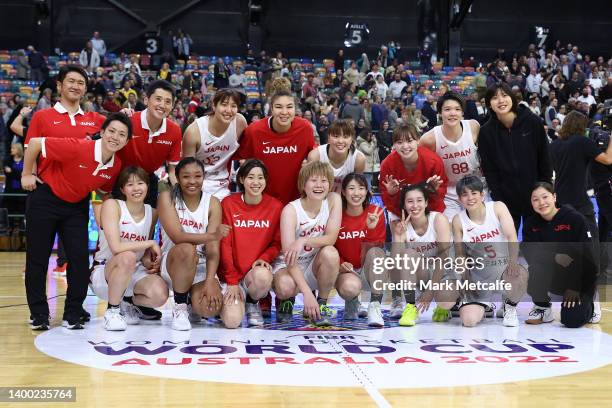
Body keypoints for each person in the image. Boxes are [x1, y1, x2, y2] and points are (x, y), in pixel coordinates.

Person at [22, 113, 131, 330]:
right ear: (102, 132)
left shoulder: (115, 165)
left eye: (122, 135)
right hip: (46, 198)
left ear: (126, 141)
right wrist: (27, 173)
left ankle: (72, 313)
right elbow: (34, 143)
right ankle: (39, 315)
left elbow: (103, 190)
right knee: (38, 259)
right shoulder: (78, 147)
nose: (115, 137)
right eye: (111, 131)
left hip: (76, 206)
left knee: (80, 261)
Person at [90, 166, 168, 330]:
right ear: (122, 189)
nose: (136, 188)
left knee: (160, 294)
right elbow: (117, 247)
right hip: (105, 272)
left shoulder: (152, 212)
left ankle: (127, 302)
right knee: (127, 256)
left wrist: (150, 260)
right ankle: (112, 311)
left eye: (140, 183)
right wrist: (150, 243)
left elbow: (143, 251)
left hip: (133, 270)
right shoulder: (112, 205)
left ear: (147, 186)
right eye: (130, 184)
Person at [157, 157, 230, 331]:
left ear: (204, 177)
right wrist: (212, 235)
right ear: (178, 178)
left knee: (209, 308)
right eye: (186, 176)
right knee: (187, 250)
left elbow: (213, 247)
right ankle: (181, 307)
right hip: (174, 261)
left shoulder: (212, 202)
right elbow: (177, 237)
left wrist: (211, 279)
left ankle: (192, 301)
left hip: (201, 263)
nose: (192, 181)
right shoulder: (167, 197)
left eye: (197, 176)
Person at [451, 175, 528, 327]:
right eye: (465, 194)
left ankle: (509, 307)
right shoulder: (458, 220)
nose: (470, 198)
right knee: (469, 321)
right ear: (460, 199)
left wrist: (513, 262)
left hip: (502, 270)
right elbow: (460, 255)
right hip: (479, 276)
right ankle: (484, 305)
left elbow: (512, 235)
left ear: (482, 194)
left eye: (474, 193)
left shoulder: (497, 207)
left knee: (520, 273)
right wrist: (465, 280)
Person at [272, 161, 342, 326]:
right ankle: (287, 301)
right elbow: (290, 259)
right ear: (303, 184)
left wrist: (303, 240)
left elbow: (331, 238)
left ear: (330, 184)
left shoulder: (333, 200)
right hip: (289, 267)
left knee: (330, 253)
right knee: (285, 286)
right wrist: (306, 294)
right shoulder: (290, 210)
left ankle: (322, 304)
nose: (319, 185)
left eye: (324, 181)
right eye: (314, 180)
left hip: (312, 264)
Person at [478, 82, 552, 233]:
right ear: (488, 104)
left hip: (536, 195)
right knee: (508, 247)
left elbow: (544, 157)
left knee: (538, 245)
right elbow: (489, 168)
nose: (500, 101)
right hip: (506, 199)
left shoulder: (533, 122)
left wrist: (545, 187)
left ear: (512, 98)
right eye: (494, 98)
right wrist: (498, 196)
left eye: (504, 95)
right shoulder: (486, 132)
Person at [523, 182, 598, 328]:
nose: (541, 203)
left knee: (571, 321)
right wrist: (555, 256)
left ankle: (590, 304)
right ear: (531, 202)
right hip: (554, 275)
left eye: (545, 197)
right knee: (536, 267)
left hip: (579, 277)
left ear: (554, 197)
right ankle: (542, 307)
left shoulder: (574, 219)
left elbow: (587, 257)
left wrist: (575, 286)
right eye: (535, 199)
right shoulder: (531, 224)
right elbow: (530, 253)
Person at [219, 159, 283, 327]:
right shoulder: (228, 204)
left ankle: (252, 302)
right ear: (241, 179)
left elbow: (277, 243)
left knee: (263, 276)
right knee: (232, 322)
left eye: (260, 178)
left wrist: (265, 257)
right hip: (232, 276)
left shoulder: (275, 207)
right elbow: (224, 245)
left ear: (266, 180)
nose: (256, 182)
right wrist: (232, 281)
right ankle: (226, 303)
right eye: (251, 177)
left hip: (253, 275)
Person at [391, 183, 458, 325]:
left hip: (444, 273)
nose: (415, 205)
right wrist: (398, 236)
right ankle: (410, 306)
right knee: (408, 254)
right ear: (404, 205)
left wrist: (430, 291)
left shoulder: (439, 219)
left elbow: (443, 258)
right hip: (422, 274)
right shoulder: (401, 227)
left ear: (426, 202)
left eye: (419, 200)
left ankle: (442, 307)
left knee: (446, 300)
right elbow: (395, 265)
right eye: (410, 201)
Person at [115, 80, 182, 206]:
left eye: (168, 102)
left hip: (148, 179)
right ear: (146, 100)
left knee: (149, 221)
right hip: (120, 178)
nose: (162, 105)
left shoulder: (175, 130)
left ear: (172, 106)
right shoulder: (128, 121)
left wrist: (179, 192)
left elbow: (172, 171)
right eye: (158, 99)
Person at [420, 92, 484, 220]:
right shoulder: (429, 139)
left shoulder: (473, 126)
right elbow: (423, 169)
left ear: (462, 112)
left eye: (457, 109)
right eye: (447, 109)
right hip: (450, 193)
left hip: (476, 187)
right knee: (450, 233)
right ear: (440, 112)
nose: (452, 113)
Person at [335, 173, 386, 326]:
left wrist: (370, 228)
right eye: (351, 188)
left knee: (377, 255)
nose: (356, 193)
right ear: (343, 192)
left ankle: (374, 306)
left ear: (367, 191)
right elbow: (330, 245)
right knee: (349, 288)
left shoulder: (375, 212)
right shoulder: (336, 215)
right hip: (346, 271)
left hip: (367, 269)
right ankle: (352, 302)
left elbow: (377, 249)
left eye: (361, 188)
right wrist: (341, 264)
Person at [183, 88, 247, 199]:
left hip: (224, 185)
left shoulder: (239, 123)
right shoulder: (194, 131)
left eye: (233, 106)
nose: (229, 110)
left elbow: (246, 155)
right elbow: (186, 170)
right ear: (214, 106)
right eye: (224, 104)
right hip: (197, 184)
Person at [307, 119, 366, 193]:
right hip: (319, 198)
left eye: (345, 137)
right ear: (328, 138)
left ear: (351, 140)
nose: (340, 141)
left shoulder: (358, 159)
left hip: (345, 200)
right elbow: (310, 187)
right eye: (336, 136)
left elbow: (357, 189)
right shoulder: (315, 156)